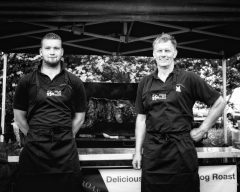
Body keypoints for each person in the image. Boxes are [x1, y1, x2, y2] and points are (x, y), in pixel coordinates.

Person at [132, 33, 226, 192]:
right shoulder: (145, 82)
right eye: (159, 51)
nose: (163, 55)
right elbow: (141, 119)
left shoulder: (188, 78)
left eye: (167, 51)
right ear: (153, 54)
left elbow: (220, 102)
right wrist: (137, 152)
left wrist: (202, 129)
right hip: (153, 150)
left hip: (182, 148)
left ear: (175, 53)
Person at [13, 33, 87, 192]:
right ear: (41, 52)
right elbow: (19, 116)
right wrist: (34, 135)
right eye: (48, 48)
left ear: (62, 52)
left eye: (56, 48)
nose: (52, 52)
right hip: (34, 149)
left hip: (65, 150)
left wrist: (67, 134)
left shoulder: (74, 81)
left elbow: (80, 117)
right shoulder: (27, 81)